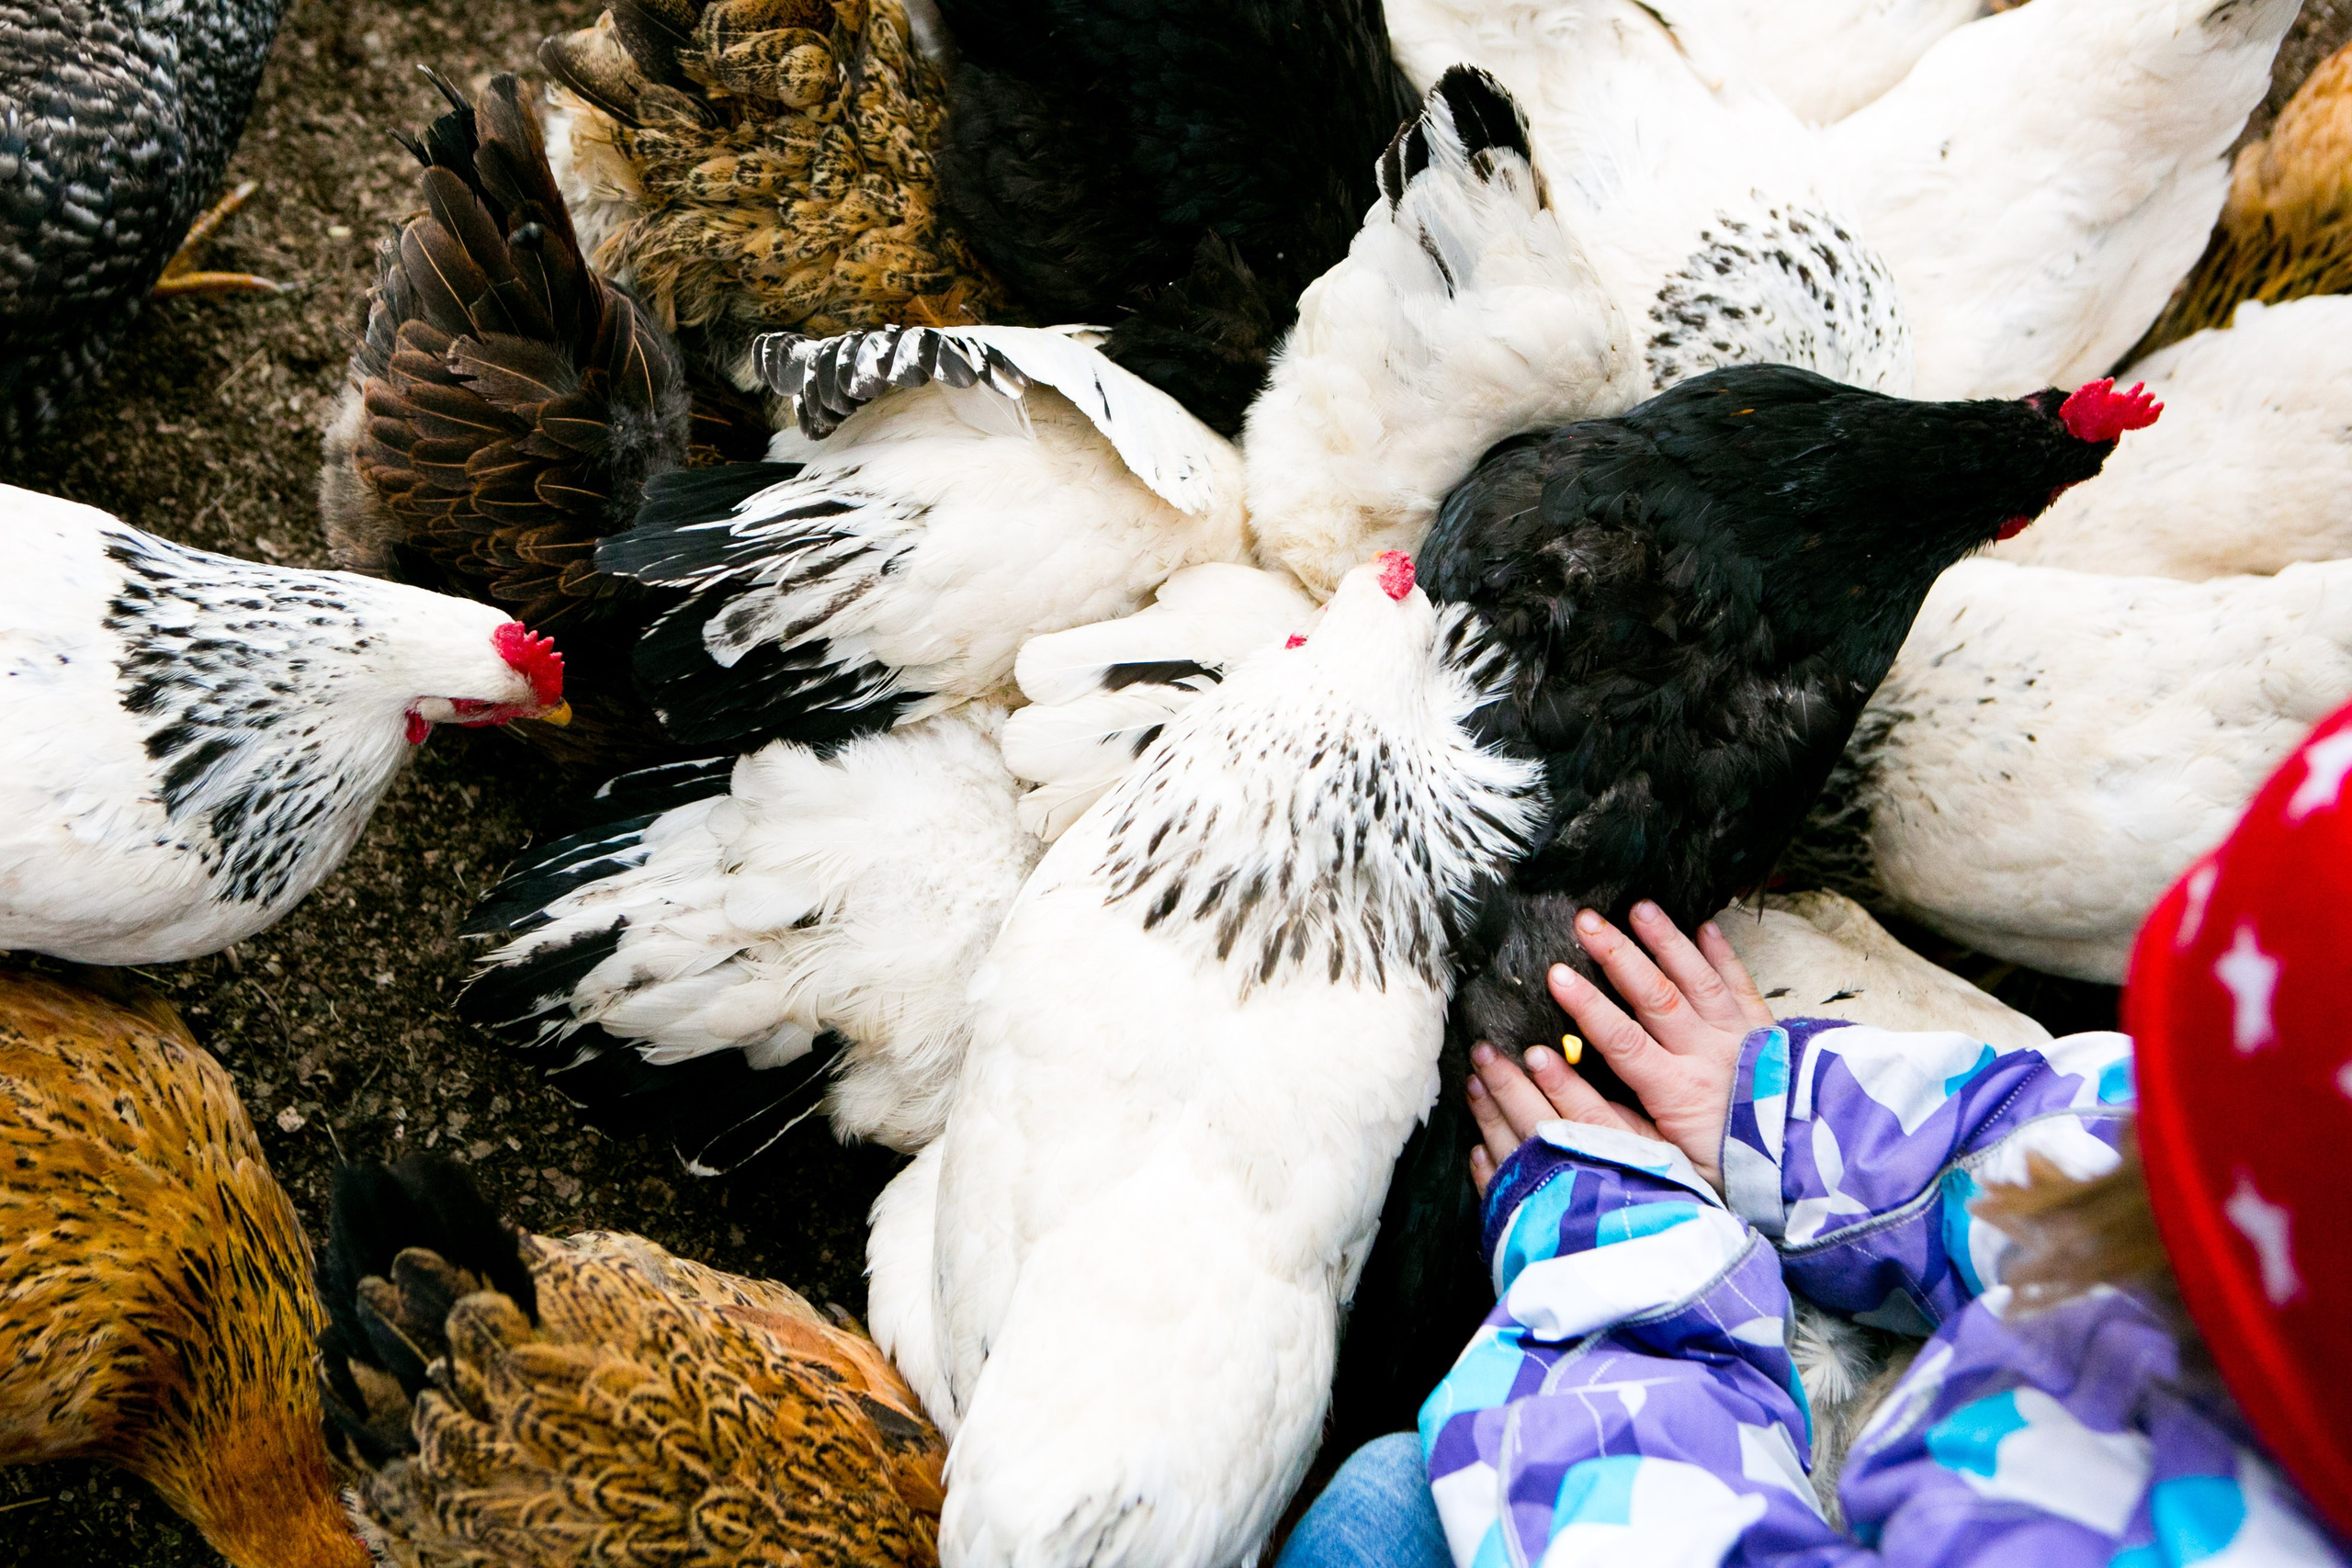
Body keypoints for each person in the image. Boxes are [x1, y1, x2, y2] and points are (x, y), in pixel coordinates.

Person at [1283, 702, 2352, 1567]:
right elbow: (2088, 1140)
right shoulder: (2284, 1221)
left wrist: (1624, 1255)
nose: (2144, 1140)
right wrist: (1787, 1120)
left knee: (1384, 1505)